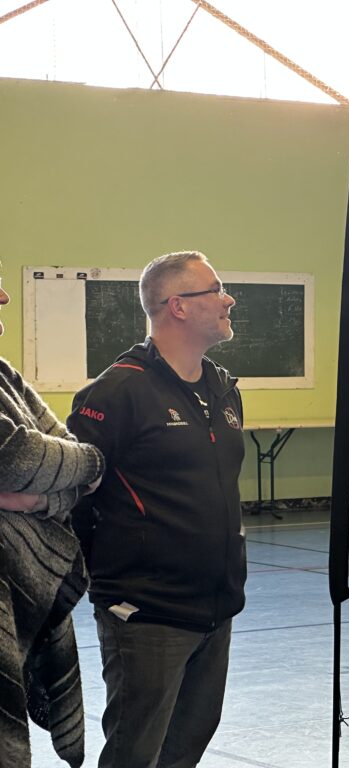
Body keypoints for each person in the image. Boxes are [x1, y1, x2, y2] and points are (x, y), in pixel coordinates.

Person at [67, 251, 246, 768]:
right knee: (134, 754)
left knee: (186, 748)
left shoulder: (223, 388)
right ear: (178, 307)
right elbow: (74, 498)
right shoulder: (117, 391)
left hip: (217, 606)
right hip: (146, 615)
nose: (228, 298)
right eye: (215, 289)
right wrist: (116, 585)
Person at [0, 269, 105, 767]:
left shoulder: (5, 376)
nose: (3, 297)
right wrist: (75, 469)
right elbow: (18, 455)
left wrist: (37, 502)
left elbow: (74, 454)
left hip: (22, 588)